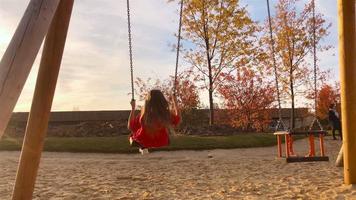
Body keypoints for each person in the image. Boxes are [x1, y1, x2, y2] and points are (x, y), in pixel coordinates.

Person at [127, 89, 181, 154]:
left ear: (148, 102)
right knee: (166, 137)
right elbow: (177, 119)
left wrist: (133, 108)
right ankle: (143, 147)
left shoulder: (144, 115)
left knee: (132, 136)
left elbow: (131, 126)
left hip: (144, 141)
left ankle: (143, 147)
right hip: (162, 142)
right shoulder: (166, 115)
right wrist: (175, 102)